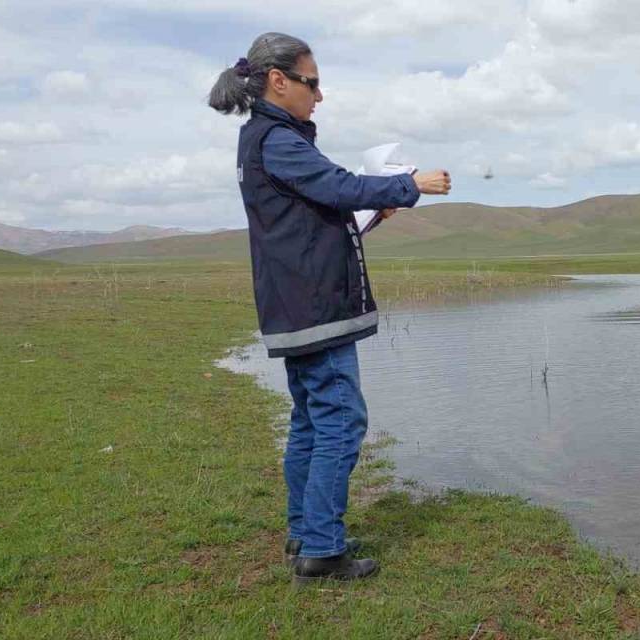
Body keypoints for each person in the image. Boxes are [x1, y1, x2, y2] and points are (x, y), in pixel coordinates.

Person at [208, 32, 452, 584]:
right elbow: (338, 184)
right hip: (315, 307)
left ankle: (307, 533)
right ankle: (321, 549)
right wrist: (408, 185)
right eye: (311, 83)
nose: (319, 96)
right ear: (278, 81)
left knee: (312, 423)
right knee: (340, 421)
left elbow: (319, 209)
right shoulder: (278, 139)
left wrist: (372, 211)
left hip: (300, 303)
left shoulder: (270, 140)